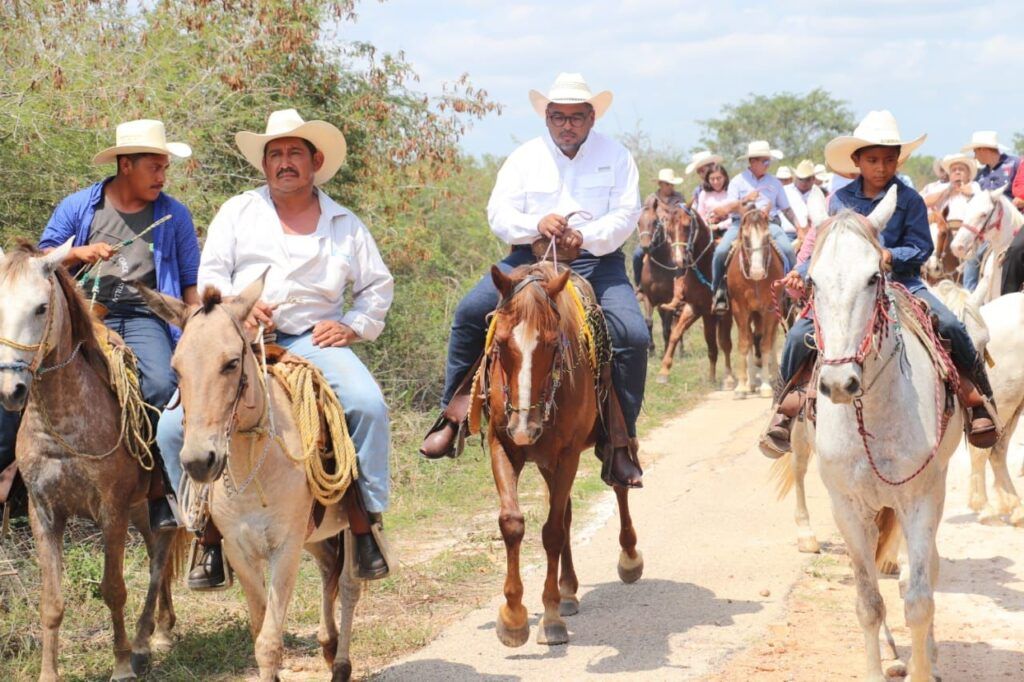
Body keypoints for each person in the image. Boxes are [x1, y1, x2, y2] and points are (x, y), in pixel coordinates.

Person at [156, 109, 395, 588]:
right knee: (170, 426)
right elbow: (211, 276)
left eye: (294, 154)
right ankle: (205, 532)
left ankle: (366, 523)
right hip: (240, 338)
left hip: (313, 338)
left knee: (367, 406)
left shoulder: (345, 223)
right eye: (276, 155)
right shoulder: (238, 210)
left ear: (315, 161)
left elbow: (377, 287)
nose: (285, 162)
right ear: (265, 165)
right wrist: (241, 306)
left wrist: (350, 326)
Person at [418, 72, 648, 490]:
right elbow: (499, 213)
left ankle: (619, 441)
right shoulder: (524, 158)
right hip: (529, 258)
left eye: (576, 117)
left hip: (596, 261)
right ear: (547, 118)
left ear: (591, 118)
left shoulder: (616, 156)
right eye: (558, 116)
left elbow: (626, 214)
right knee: (471, 312)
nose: (567, 125)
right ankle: (453, 415)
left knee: (632, 334)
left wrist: (587, 236)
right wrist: (534, 224)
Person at [760, 110, 997, 457]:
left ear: (898, 161)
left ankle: (978, 399)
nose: (881, 168)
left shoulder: (911, 200)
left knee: (950, 324)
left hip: (902, 282)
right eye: (872, 160)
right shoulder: (840, 200)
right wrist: (805, 267)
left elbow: (921, 246)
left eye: (889, 160)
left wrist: (890, 256)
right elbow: (829, 246)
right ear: (857, 161)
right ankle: (783, 408)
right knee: (798, 335)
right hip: (850, 287)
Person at [6, 119, 201, 533]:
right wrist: (80, 251)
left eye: (165, 167)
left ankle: (159, 491)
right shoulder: (80, 206)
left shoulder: (174, 216)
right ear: (125, 165)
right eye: (155, 166)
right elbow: (40, 263)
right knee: (27, 376)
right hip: (84, 318)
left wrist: (195, 333)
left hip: (146, 317)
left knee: (161, 387)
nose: (162, 177)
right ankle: (19, 478)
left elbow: (189, 283)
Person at [706, 140, 801, 314]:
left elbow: (786, 208)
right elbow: (727, 208)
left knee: (787, 250)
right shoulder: (737, 181)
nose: (767, 164)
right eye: (764, 161)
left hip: (769, 224)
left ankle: (791, 292)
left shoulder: (774, 183)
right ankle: (718, 290)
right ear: (752, 162)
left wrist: (799, 227)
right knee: (721, 252)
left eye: (768, 161)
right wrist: (745, 200)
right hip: (741, 224)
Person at [924, 154, 983, 288]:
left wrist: (965, 191)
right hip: (944, 232)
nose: (957, 172)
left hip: (968, 232)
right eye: (953, 170)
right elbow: (924, 202)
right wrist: (947, 192)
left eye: (961, 169)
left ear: (968, 174)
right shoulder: (943, 189)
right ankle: (929, 270)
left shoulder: (974, 186)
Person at [632, 167, 685, 287]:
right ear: (660, 184)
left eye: (672, 184)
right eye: (667, 184)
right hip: (654, 236)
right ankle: (639, 285)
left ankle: (684, 285)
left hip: (675, 236)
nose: (670, 187)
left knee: (684, 256)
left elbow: (682, 216)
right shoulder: (651, 199)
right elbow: (645, 218)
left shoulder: (679, 198)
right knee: (637, 254)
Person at [779, 159, 825, 241]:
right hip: (790, 235)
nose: (804, 183)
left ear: (813, 179)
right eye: (801, 179)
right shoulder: (785, 191)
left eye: (807, 179)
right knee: (786, 250)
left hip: (814, 235)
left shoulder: (818, 192)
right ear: (795, 178)